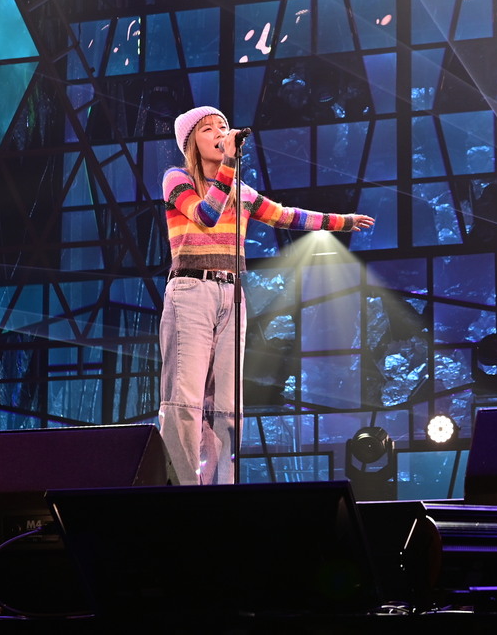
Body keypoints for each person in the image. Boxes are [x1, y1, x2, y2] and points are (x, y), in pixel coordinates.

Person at [159, 105, 375, 484]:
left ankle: (222, 487)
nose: (219, 133)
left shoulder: (241, 191)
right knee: (185, 397)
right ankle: (182, 489)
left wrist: (342, 222)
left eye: (223, 126)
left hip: (232, 292)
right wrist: (229, 164)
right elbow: (207, 214)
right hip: (191, 289)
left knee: (228, 404)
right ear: (191, 142)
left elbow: (288, 215)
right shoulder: (178, 179)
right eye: (208, 129)